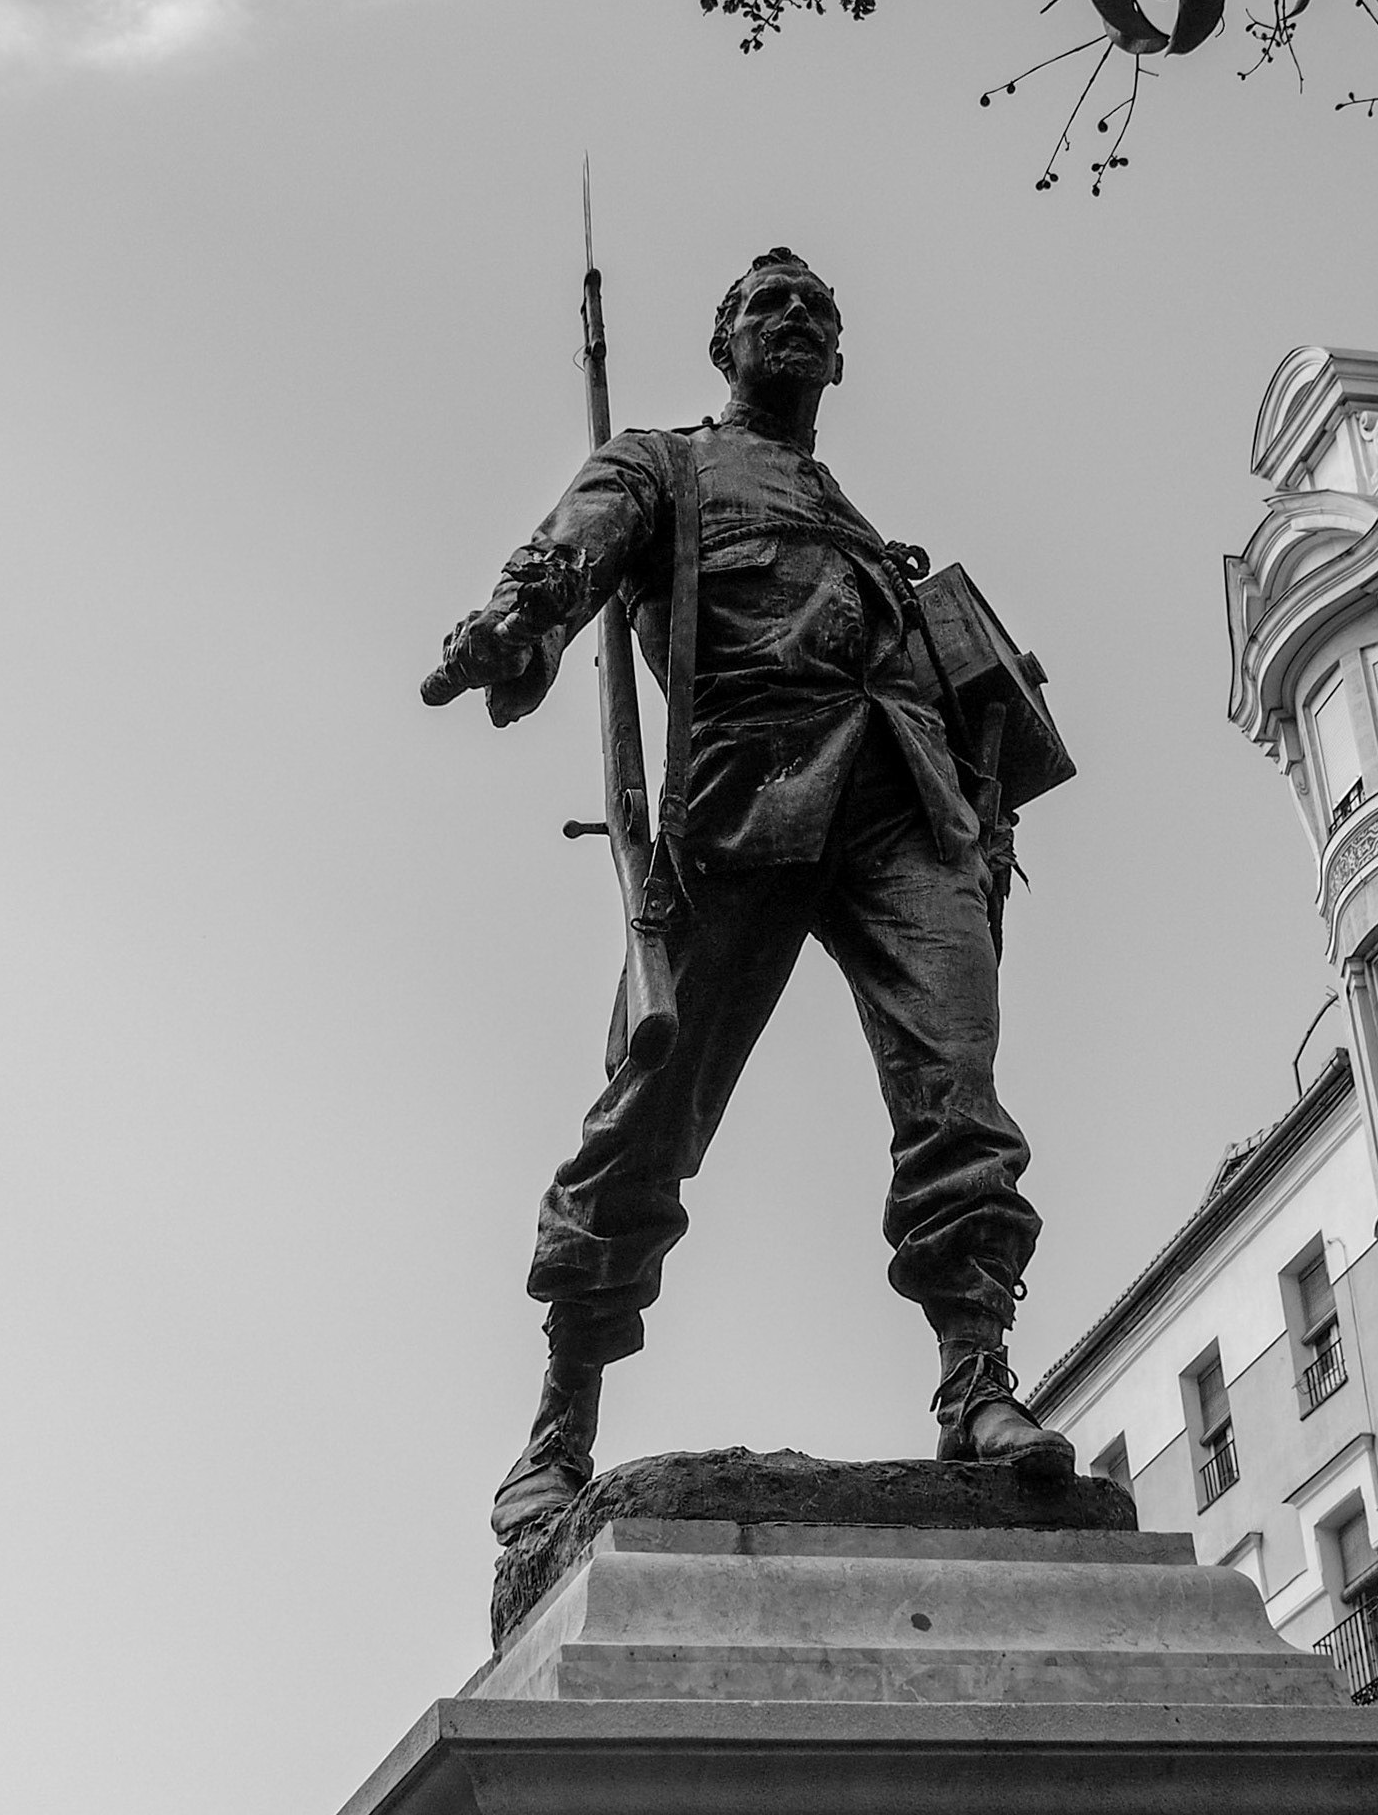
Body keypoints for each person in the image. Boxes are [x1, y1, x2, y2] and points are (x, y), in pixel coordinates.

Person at [423, 248, 1068, 1543]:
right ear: (724, 343)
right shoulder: (661, 464)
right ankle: (561, 1426)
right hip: (742, 800)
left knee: (958, 1095)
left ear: (839, 358)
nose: (790, 320)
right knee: (648, 1113)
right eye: (764, 305)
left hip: (901, 804)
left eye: (814, 311)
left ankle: (977, 1380)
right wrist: (519, 626)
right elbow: (570, 556)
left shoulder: (853, 517)